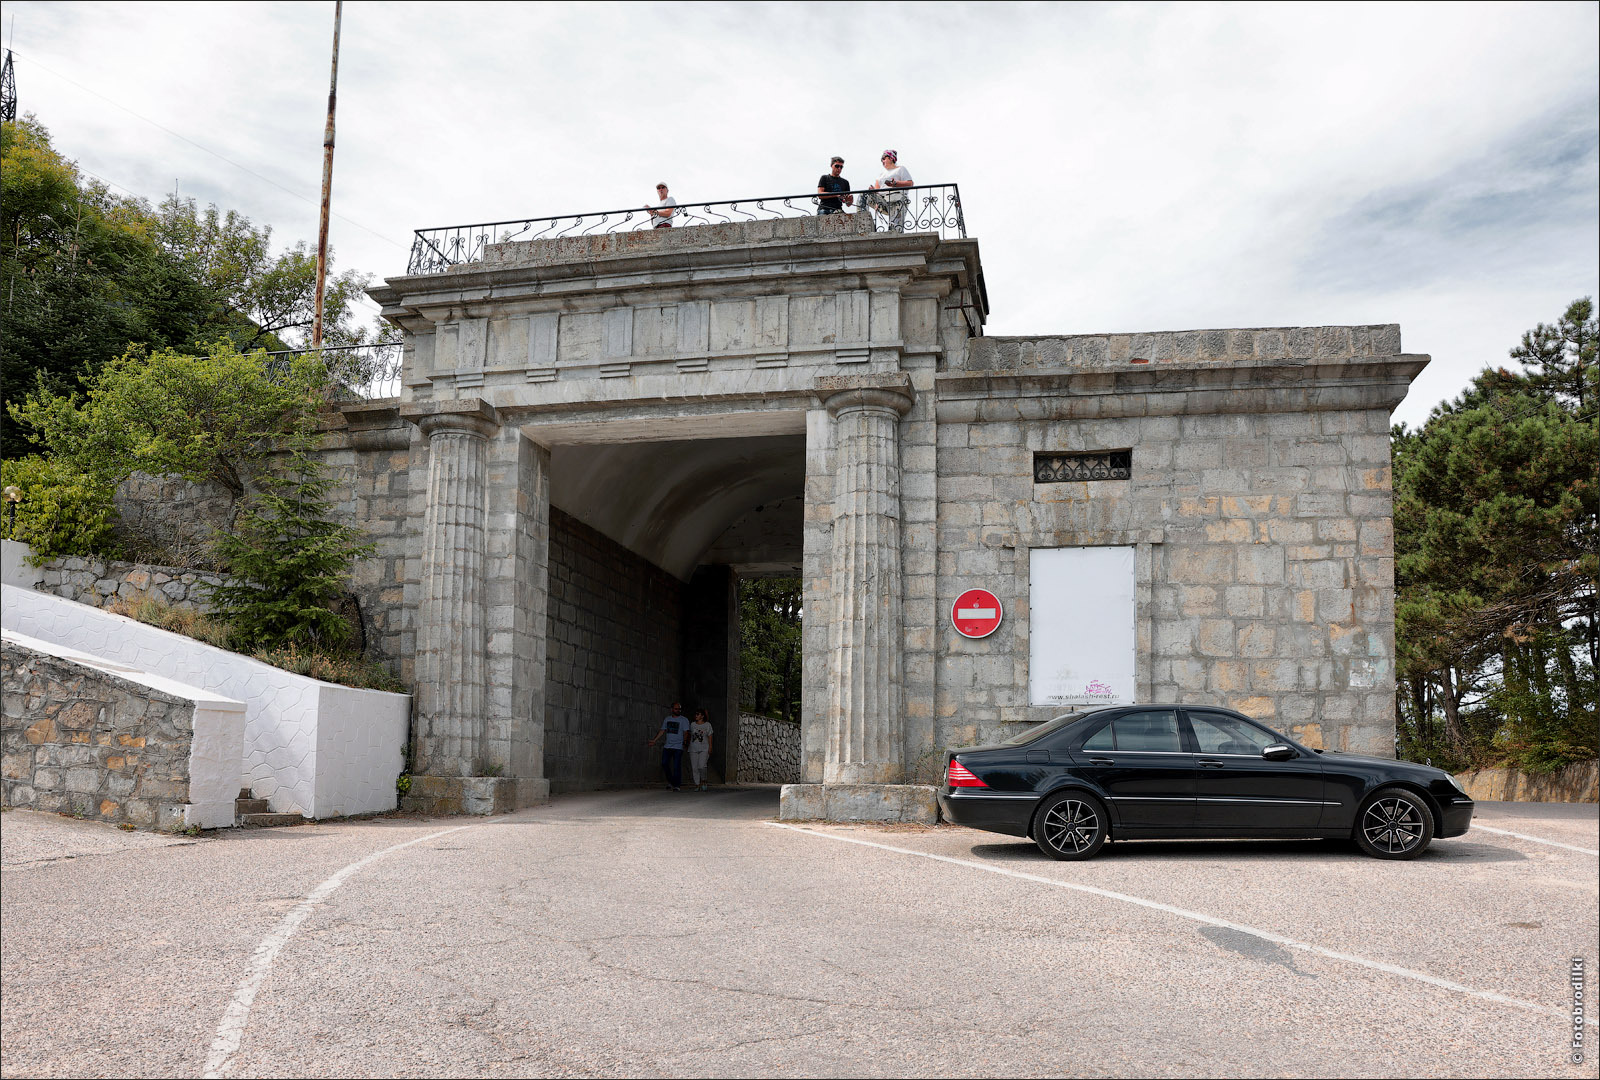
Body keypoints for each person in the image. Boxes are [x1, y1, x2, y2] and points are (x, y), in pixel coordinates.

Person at [864, 150, 914, 232]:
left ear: (891, 158)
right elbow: (877, 190)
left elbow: (910, 183)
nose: (882, 161)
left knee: (895, 229)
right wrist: (873, 191)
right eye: (881, 160)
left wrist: (895, 184)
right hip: (883, 200)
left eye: (884, 158)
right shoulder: (881, 175)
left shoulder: (901, 169)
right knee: (864, 195)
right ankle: (863, 225)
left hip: (897, 199)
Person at [648, 701, 689, 789]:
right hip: (667, 746)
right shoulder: (667, 719)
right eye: (676, 709)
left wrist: (685, 742)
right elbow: (662, 730)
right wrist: (654, 740)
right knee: (664, 763)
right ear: (671, 709)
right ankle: (671, 781)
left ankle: (676, 785)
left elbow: (686, 732)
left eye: (679, 709)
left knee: (676, 766)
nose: (678, 710)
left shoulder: (684, 720)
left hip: (678, 747)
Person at [686, 708, 714, 791]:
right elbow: (690, 735)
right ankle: (697, 784)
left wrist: (710, 747)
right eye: (695, 714)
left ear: (702, 716)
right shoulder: (692, 725)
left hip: (704, 748)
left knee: (701, 766)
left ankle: (704, 780)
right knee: (694, 767)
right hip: (693, 748)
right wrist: (686, 744)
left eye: (698, 714)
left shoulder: (707, 725)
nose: (696, 716)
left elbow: (710, 736)